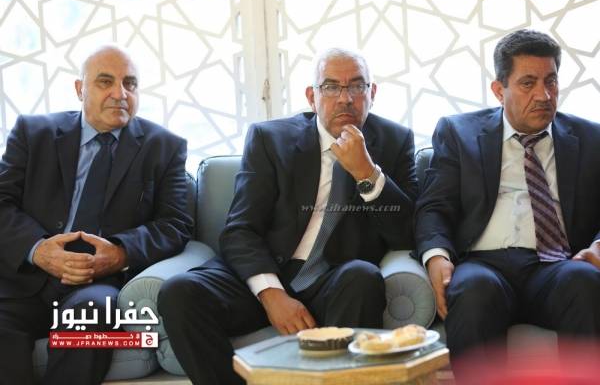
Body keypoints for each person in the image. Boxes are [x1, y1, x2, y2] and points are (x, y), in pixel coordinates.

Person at [158, 47, 417, 384]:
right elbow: (240, 230)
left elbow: (406, 233)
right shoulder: (270, 139)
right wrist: (272, 294)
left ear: (373, 93)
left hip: (333, 282)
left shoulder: (395, 141)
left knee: (363, 277)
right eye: (331, 87)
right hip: (265, 273)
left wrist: (367, 173)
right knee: (179, 292)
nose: (345, 98)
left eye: (357, 86)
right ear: (312, 97)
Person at [0, 45, 192, 385]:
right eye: (105, 82)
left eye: (130, 84)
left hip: (97, 284)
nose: (120, 94)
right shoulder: (33, 133)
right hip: (24, 279)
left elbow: (175, 224)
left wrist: (119, 253)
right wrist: (38, 250)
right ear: (80, 89)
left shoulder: (164, 147)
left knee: (90, 316)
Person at [415, 29, 600, 377]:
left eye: (551, 81)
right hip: (486, 264)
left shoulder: (591, 138)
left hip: (558, 265)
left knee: (585, 282)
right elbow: (434, 207)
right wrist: (436, 256)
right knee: (472, 290)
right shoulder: (458, 133)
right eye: (528, 83)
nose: (544, 95)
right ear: (499, 90)